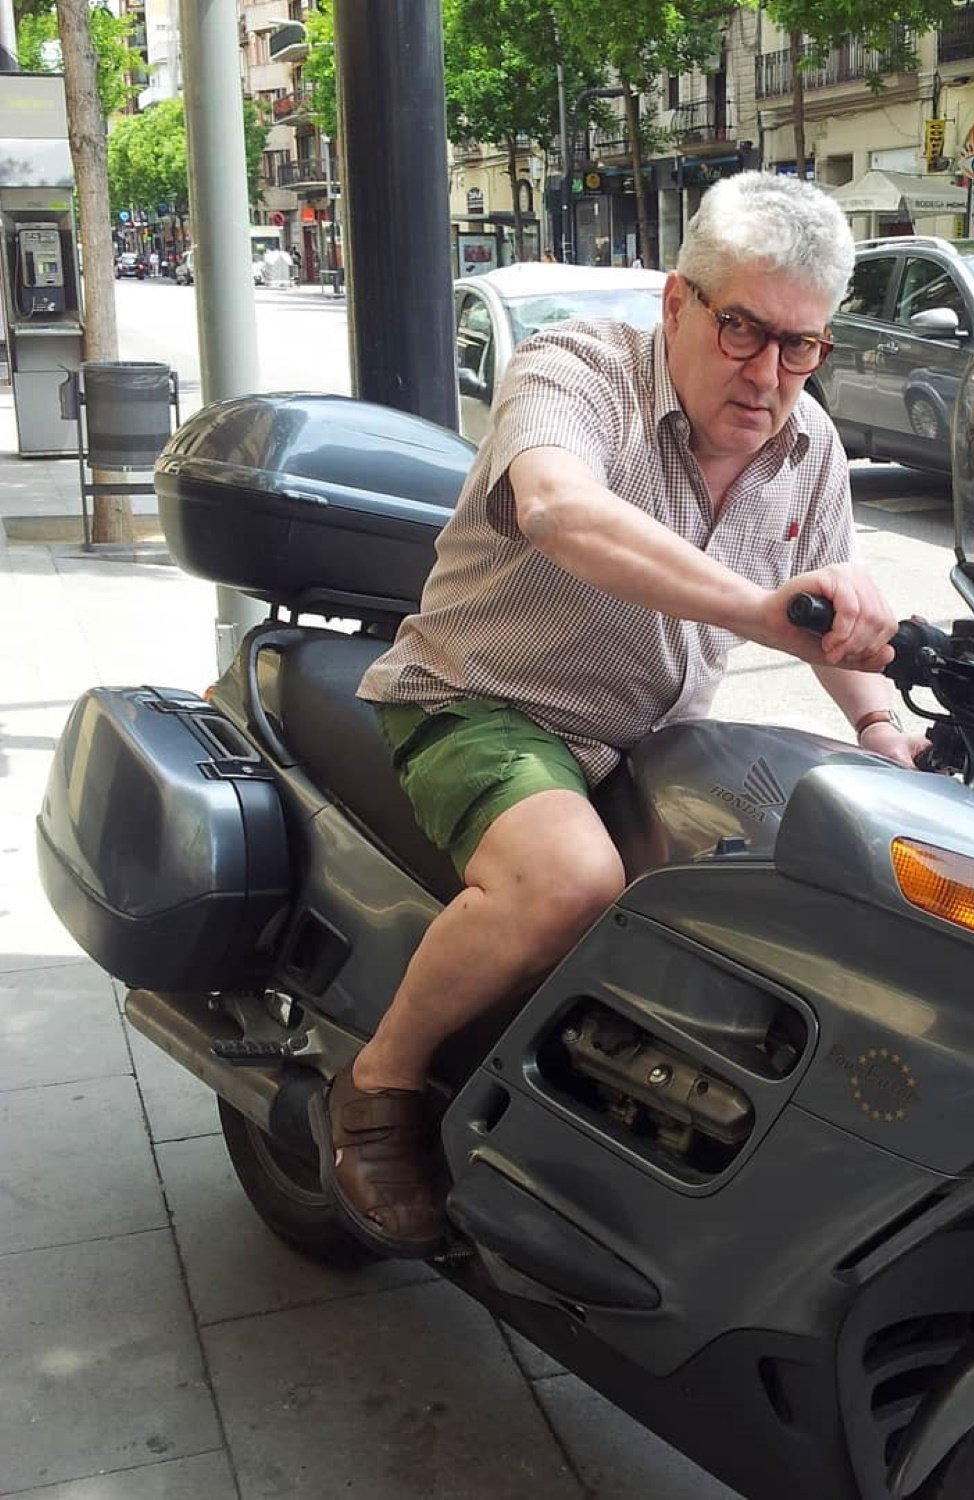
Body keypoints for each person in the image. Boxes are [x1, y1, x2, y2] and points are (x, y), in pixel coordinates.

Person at [312, 172, 927, 1258]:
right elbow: (558, 506)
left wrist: (883, 726)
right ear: (679, 302)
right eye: (744, 330)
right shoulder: (575, 370)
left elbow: (831, 607)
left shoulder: (808, 446)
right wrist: (755, 609)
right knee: (569, 885)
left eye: (801, 347)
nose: (769, 373)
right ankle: (379, 1080)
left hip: (656, 743)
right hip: (487, 704)